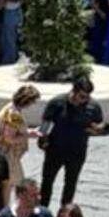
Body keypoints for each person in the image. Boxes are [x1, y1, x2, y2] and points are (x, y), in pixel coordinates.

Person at [37, 78, 103, 209]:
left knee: (71, 183)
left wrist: (98, 129)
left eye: (88, 96)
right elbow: (46, 124)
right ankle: (43, 211)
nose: (85, 100)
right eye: (82, 96)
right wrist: (42, 140)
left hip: (77, 151)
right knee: (47, 182)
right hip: (55, 150)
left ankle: (65, 213)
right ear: (74, 91)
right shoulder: (57, 103)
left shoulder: (93, 106)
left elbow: (100, 123)